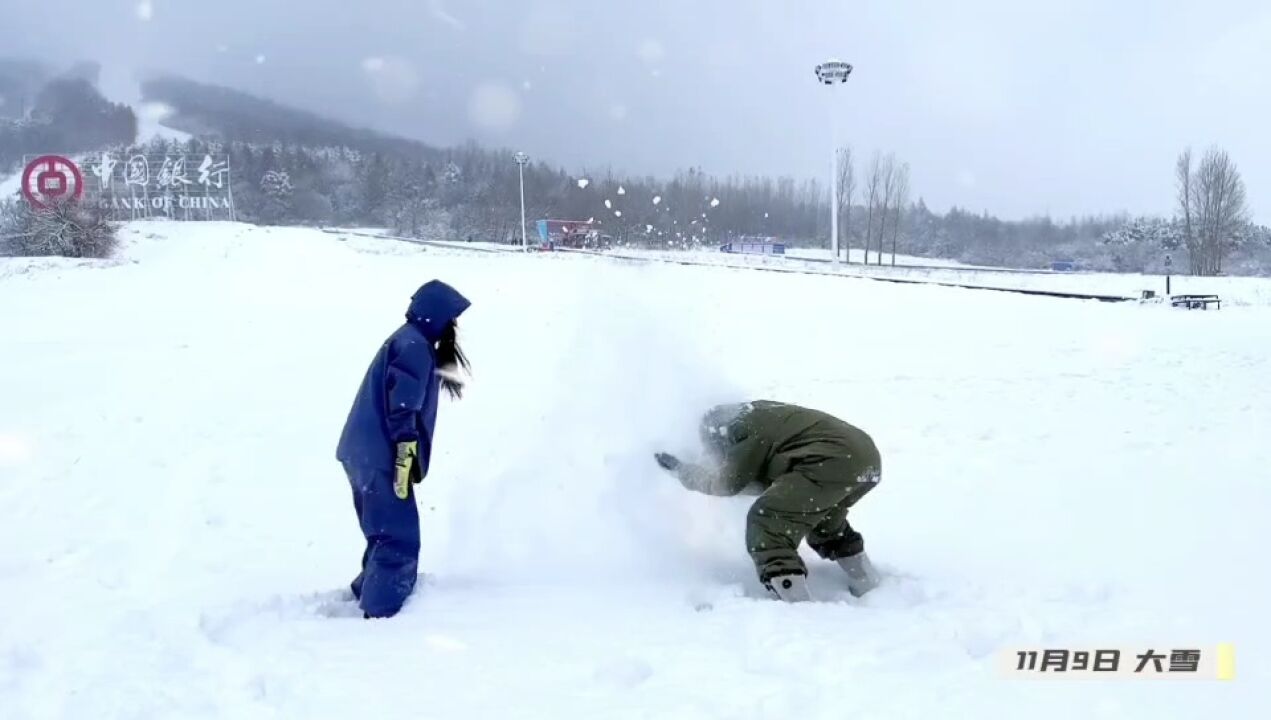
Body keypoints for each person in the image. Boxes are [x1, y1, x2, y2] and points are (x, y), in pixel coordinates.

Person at [654, 400, 882, 602]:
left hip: (832, 461)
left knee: (768, 519)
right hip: (863, 459)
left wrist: (682, 470)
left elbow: (728, 483)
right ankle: (868, 583)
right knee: (822, 522)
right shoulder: (762, 414)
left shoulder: (743, 430)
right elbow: (761, 476)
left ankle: (798, 606)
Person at [336, 279, 471, 618]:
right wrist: (405, 449)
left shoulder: (408, 338)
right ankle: (382, 611)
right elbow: (403, 404)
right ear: (439, 317)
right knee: (397, 537)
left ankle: (369, 590)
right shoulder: (413, 346)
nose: (454, 326)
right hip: (380, 454)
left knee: (383, 529)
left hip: (365, 452)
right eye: (452, 318)